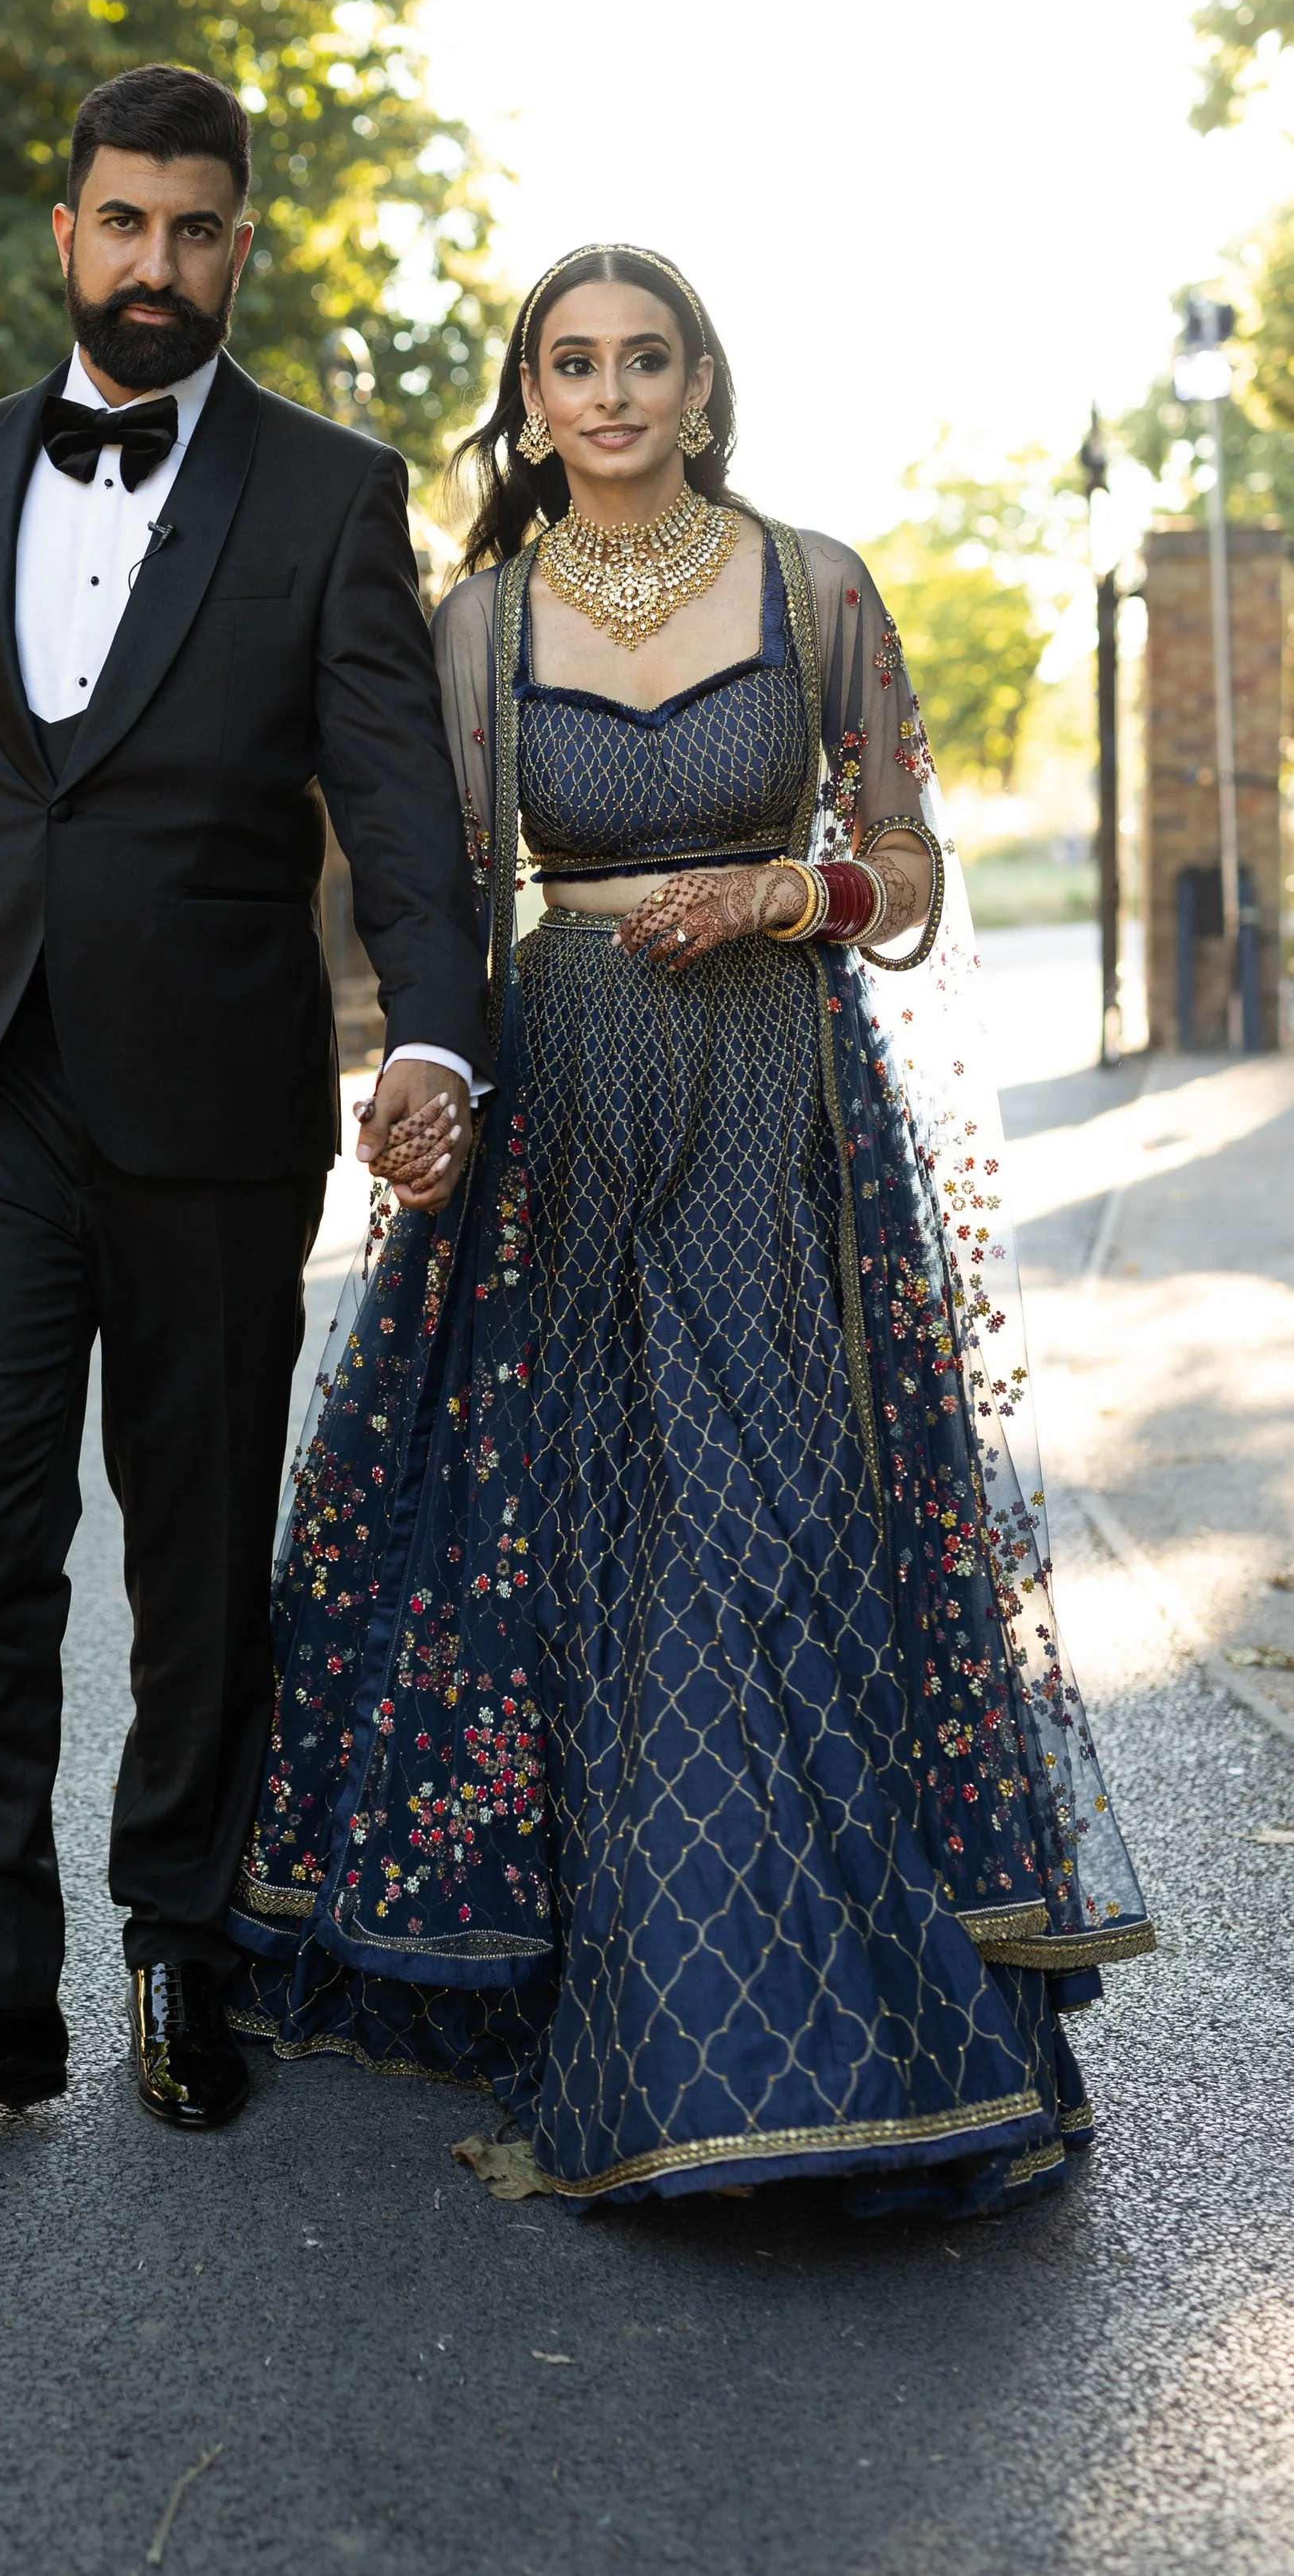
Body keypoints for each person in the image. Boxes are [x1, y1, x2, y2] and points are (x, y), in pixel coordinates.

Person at [230, 244, 1154, 2215]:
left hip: (777, 1110)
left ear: (701, 385)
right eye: (574, 364)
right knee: (619, 1533)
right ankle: (666, 2016)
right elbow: (438, 905)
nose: (613, 392)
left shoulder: (813, 584)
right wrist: (424, 1085)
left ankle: (819, 2018)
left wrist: (780, 897)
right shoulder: (473, 627)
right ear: (534, 397)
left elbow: (907, 866)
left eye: (647, 359)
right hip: (567, 1106)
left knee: (782, 1519)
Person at [0, 64, 484, 2159]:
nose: (155, 264)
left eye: (195, 230)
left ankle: (183, 1943)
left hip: (213, 1101)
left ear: (239, 244)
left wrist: (435, 1036)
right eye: (123, 224)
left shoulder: (325, 490)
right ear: (65, 231)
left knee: (193, 1545)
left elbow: (394, 803)